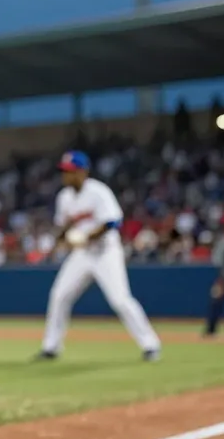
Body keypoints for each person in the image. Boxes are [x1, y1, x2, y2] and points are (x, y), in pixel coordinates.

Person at [36, 151, 162, 361]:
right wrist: (59, 240)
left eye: (71, 172)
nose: (66, 176)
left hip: (106, 252)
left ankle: (151, 345)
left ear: (83, 172)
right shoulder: (64, 197)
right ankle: (51, 347)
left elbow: (113, 222)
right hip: (81, 255)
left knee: (120, 300)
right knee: (59, 296)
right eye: (64, 172)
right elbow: (64, 225)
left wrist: (86, 236)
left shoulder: (98, 191)